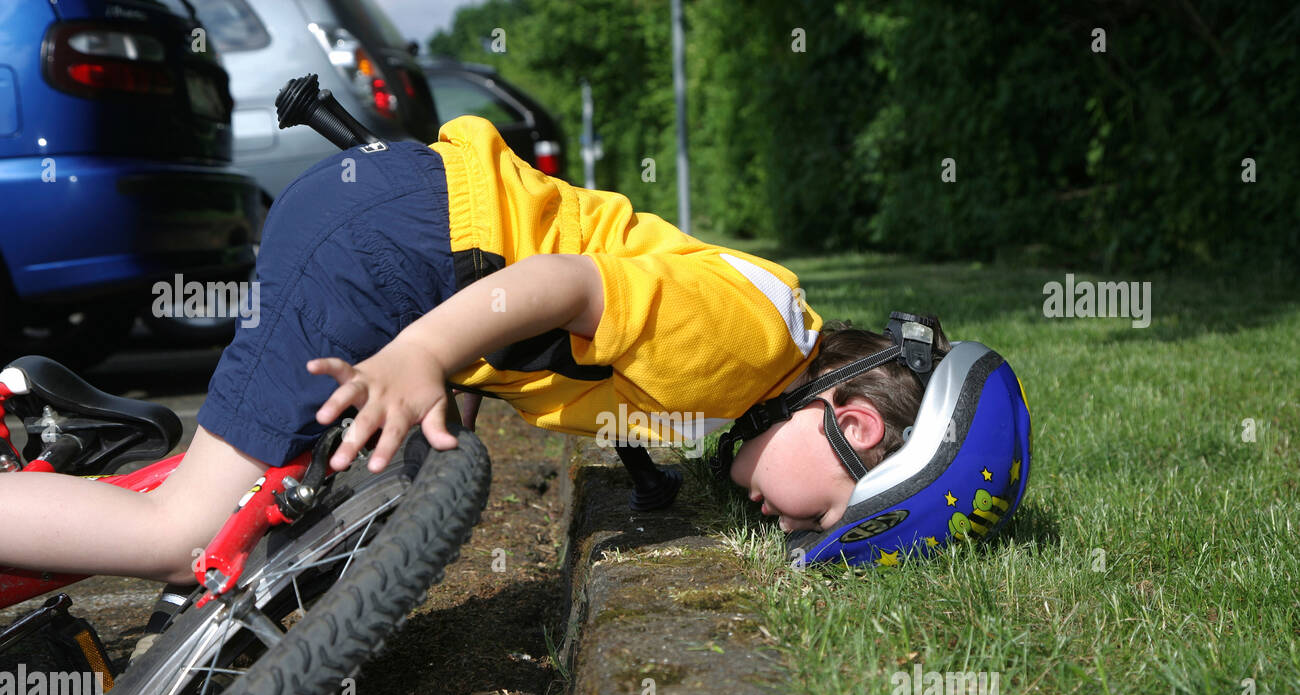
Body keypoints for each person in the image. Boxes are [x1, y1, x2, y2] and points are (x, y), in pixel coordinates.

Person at [0, 116, 947, 583]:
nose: (777, 524)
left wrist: (447, 371)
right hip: (403, 251)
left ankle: (101, 442)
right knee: (187, 539)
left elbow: (551, 333)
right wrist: (422, 354)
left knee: (271, 490)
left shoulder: (773, 328)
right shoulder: (744, 351)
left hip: (399, 215)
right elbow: (566, 284)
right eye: (814, 518)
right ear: (849, 422)